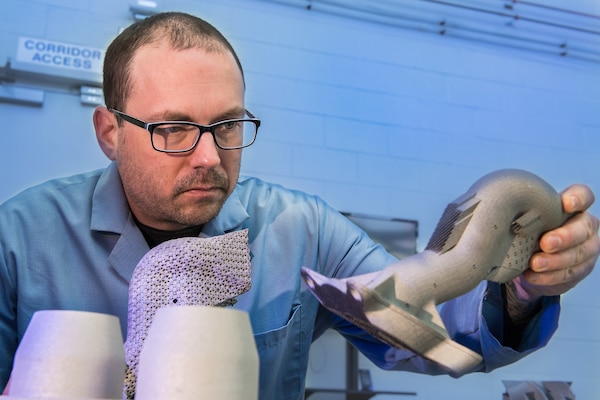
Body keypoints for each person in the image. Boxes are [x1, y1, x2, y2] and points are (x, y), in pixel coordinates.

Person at [0, 11, 598, 400]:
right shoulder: (21, 240)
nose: (209, 156)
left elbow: (429, 340)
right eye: (175, 129)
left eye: (228, 124)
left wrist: (524, 292)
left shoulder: (302, 231)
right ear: (109, 132)